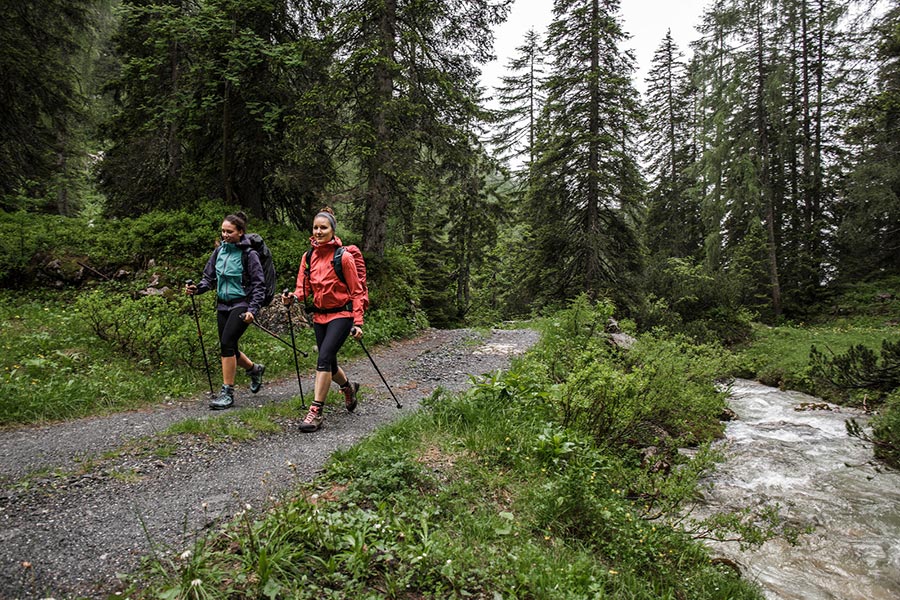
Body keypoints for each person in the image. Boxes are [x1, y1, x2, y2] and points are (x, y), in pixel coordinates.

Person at [283, 207, 364, 432]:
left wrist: (358, 322)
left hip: (342, 314)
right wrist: (292, 298)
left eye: (323, 228)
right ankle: (348, 388)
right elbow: (303, 288)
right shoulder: (308, 257)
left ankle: (316, 411)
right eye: (316, 227)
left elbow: (357, 291)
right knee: (331, 363)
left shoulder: (344, 257)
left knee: (324, 357)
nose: (318, 232)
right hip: (319, 316)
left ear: (332, 230)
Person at [185, 212, 266, 410]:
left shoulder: (249, 254)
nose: (225, 235)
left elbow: (259, 285)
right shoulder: (219, 252)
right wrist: (198, 288)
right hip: (222, 304)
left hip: (241, 304)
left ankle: (227, 393)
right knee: (228, 347)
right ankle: (254, 369)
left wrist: (252, 310)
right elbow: (208, 278)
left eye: (229, 231)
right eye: (223, 231)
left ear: (240, 232)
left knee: (227, 344)